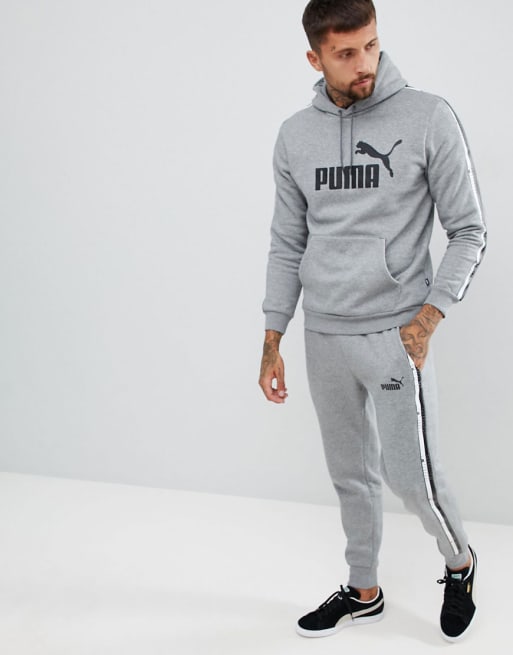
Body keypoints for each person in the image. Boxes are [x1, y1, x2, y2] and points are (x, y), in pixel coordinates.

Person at [259, 0, 486, 643]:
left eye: (371, 46)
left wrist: (428, 318)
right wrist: (273, 335)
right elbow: (286, 242)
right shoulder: (294, 136)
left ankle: (460, 563)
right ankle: (364, 591)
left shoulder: (427, 116)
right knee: (349, 475)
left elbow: (469, 231)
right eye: (345, 53)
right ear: (315, 58)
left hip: (394, 333)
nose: (365, 63)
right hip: (323, 334)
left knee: (411, 477)